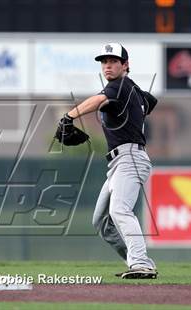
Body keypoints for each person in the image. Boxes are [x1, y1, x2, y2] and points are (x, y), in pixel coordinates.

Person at [60, 43, 157, 279]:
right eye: (104, 62)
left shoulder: (120, 85)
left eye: (113, 61)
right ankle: (135, 261)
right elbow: (151, 101)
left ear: (125, 65)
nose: (107, 66)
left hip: (130, 157)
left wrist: (69, 117)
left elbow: (96, 100)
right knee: (101, 220)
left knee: (120, 210)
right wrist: (139, 106)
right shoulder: (128, 89)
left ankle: (142, 264)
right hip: (118, 162)